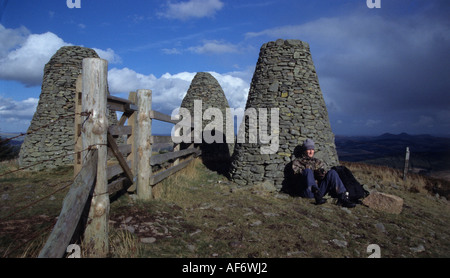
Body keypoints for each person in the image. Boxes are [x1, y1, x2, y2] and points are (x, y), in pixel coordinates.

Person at [292, 139, 356, 208]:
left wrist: (320, 174)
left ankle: (343, 198)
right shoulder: (297, 162)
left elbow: (322, 177)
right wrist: (309, 172)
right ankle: (316, 193)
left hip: (319, 192)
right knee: (308, 171)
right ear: (304, 150)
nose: (311, 151)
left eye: (312, 149)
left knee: (332, 172)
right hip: (306, 190)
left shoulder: (317, 162)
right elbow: (297, 175)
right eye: (308, 149)